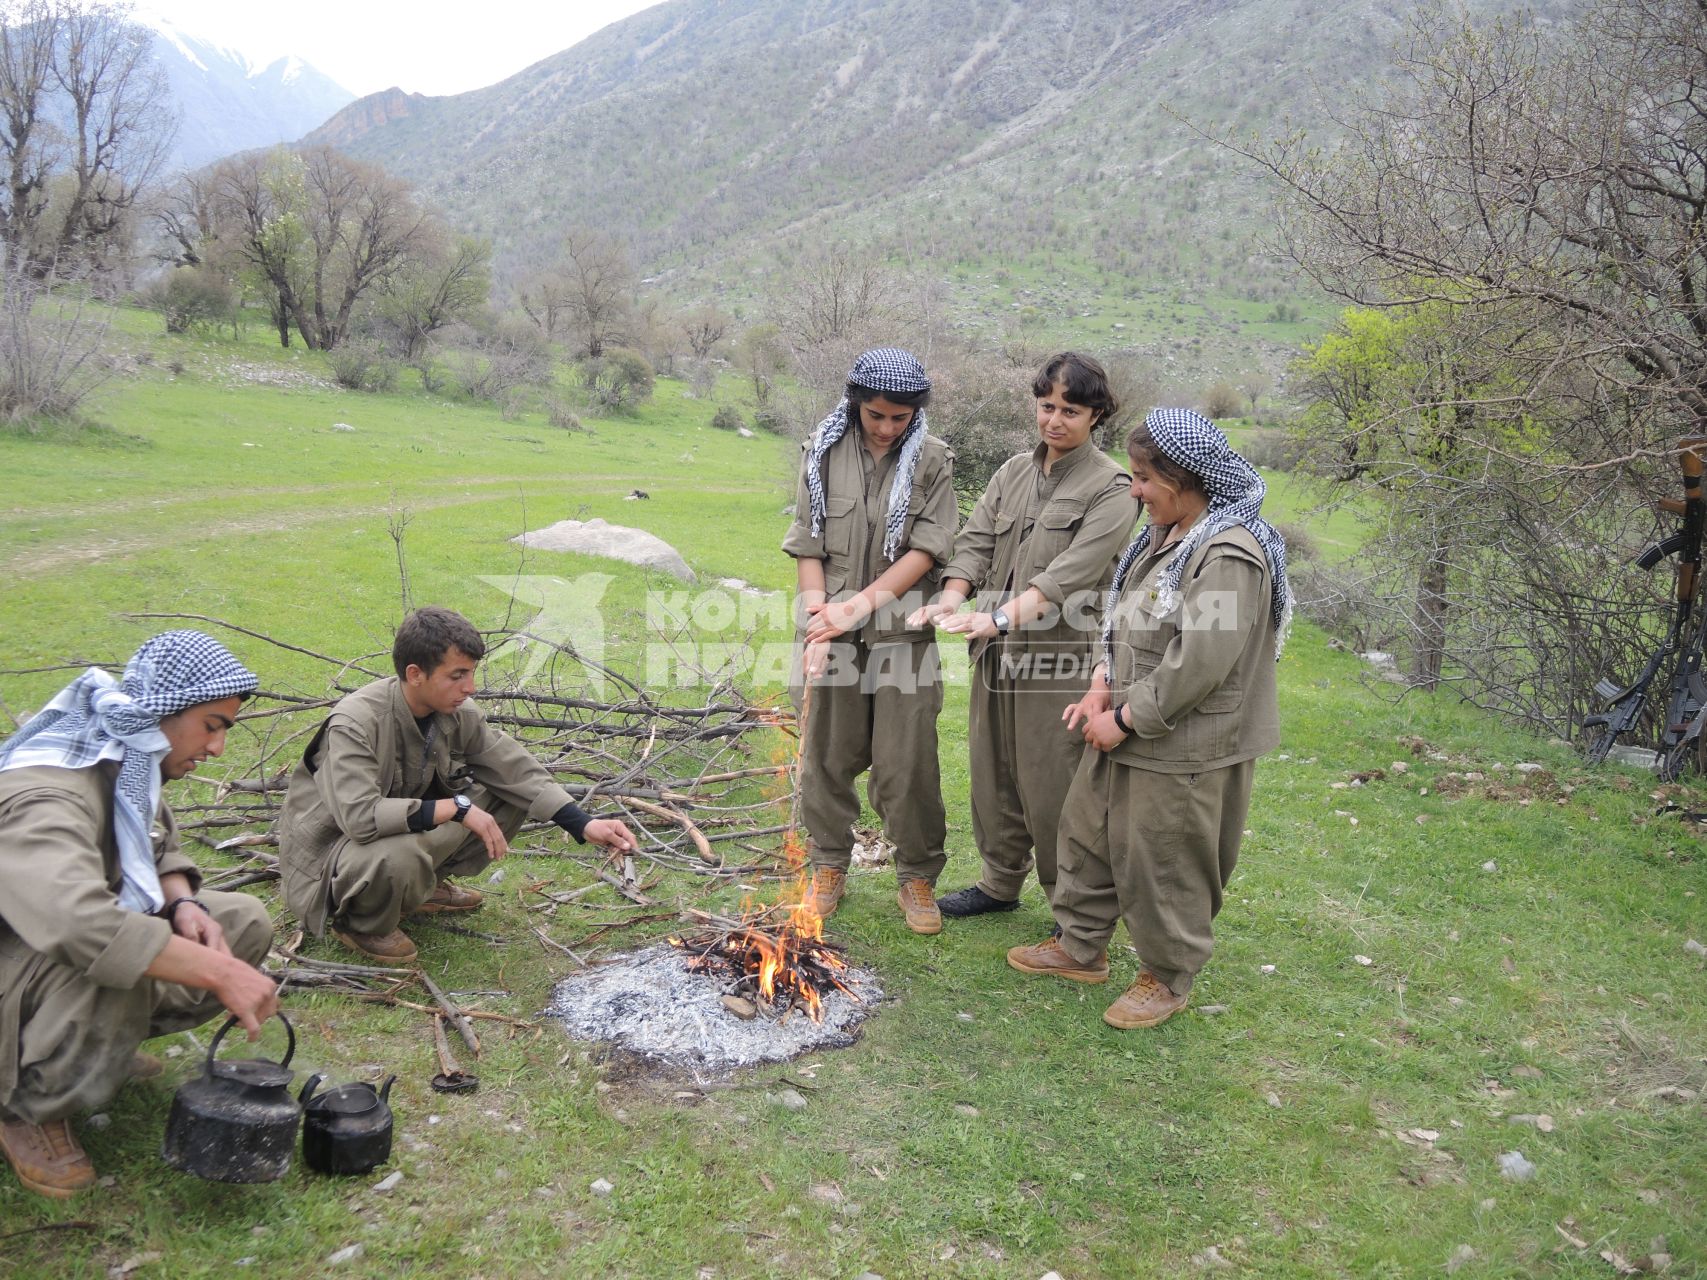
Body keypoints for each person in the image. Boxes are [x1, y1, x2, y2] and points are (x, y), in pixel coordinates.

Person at [1007, 407, 1288, 1028]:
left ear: (1184, 478)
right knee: (1089, 833)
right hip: (1127, 723)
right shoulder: (1163, 535)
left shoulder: (1228, 552)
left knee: (1166, 857)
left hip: (1185, 741)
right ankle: (1081, 947)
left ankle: (1166, 975)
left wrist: (1129, 720)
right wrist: (1100, 691)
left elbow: (1201, 661)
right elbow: (1124, 627)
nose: (1133, 490)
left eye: (1142, 478)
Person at [0, 630, 279, 1198]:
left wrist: (183, 902)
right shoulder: (45, 794)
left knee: (242, 921)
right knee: (120, 961)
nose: (218, 749)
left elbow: (152, 837)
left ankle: (98, 1045)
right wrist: (220, 973)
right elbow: (81, 925)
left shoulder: (128, 751)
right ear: (166, 709)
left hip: (48, 954)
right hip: (21, 960)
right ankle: (24, 1105)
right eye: (212, 726)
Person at [277, 606, 638, 965]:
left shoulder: (454, 712)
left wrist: (583, 824)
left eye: (471, 673)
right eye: (457, 675)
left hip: (394, 835)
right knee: (399, 857)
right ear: (415, 674)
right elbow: (359, 818)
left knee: (506, 793)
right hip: (333, 861)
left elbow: (512, 769)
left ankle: (423, 888)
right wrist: (458, 809)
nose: (470, 688)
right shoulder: (355, 722)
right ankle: (363, 922)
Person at [912, 352, 1139, 919]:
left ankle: (1075, 912)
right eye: (1046, 406)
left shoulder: (1112, 487)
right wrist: (951, 598)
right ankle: (998, 883)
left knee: (1053, 784)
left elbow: (1074, 572)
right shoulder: (1012, 471)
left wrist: (1001, 616)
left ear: (1096, 415)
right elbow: (976, 541)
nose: (1055, 420)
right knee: (994, 776)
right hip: (995, 651)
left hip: (1060, 657)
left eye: (1070, 409)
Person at [782, 347, 958, 934]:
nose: (886, 428)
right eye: (876, 415)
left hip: (901, 633)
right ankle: (829, 864)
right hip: (830, 628)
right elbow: (808, 544)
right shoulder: (823, 451)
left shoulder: (933, 461)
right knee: (826, 756)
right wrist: (817, 619)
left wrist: (858, 607)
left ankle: (917, 875)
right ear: (856, 403)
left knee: (905, 762)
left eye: (899, 418)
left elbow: (927, 550)